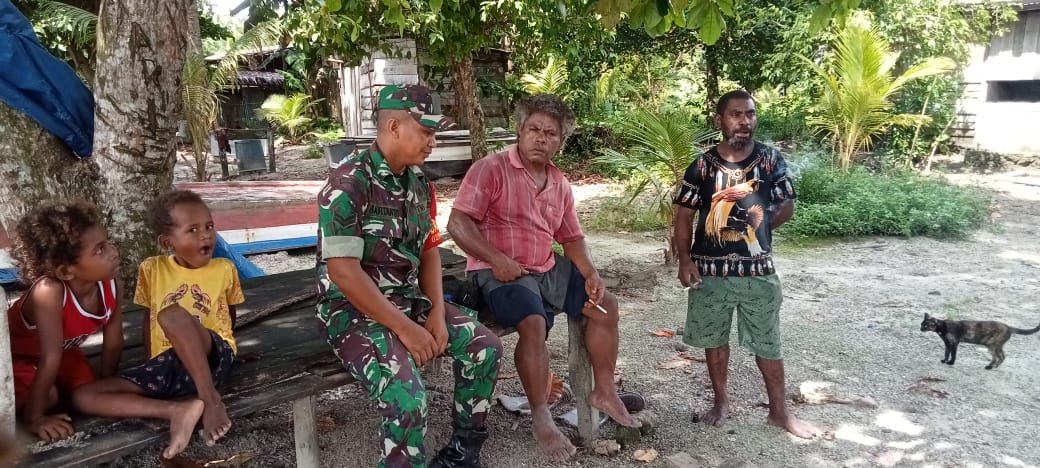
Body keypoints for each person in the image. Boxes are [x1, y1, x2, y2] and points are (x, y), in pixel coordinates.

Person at [315, 84, 503, 468]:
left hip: (407, 301)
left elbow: (429, 249)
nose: (433, 142)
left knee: (486, 347)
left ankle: (462, 454)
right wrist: (406, 329)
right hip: (353, 311)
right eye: (427, 132)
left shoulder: (418, 183)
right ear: (394, 126)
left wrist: (436, 313)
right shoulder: (349, 183)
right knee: (407, 397)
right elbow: (343, 273)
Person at [447, 93, 640, 462]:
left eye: (550, 134)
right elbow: (458, 223)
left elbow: (571, 238)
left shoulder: (559, 182)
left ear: (560, 141)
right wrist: (496, 258)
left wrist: (591, 273)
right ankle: (541, 415)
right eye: (534, 129)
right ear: (520, 131)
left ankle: (603, 390)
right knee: (533, 322)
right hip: (497, 270)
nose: (541, 138)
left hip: (544, 266)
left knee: (604, 305)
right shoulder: (491, 169)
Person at [672, 89, 820, 439]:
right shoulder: (702, 166)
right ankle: (721, 402)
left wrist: (754, 230)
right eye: (736, 114)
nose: (744, 121)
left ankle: (780, 412)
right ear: (719, 120)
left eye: (750, 114)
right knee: (714, 339)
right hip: (710, 273)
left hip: (758, 271)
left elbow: (786, 206)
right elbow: (683, 216)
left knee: (769, 342)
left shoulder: (770, 161)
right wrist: (685, 259)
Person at [74, 190, 243, 458]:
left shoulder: (224, 268)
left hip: (211, 358)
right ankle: (177, 411)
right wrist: (152, 360)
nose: (205, 235)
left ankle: (210, 399)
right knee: (83, 396)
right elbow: (148, 318)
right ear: (167, 242)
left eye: (209, 226)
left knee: (171, 315)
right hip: (169, 365)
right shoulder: (152, 269)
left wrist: (228, 348)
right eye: (193, 230)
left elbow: (228, 315)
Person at [7, 202, 122, 442]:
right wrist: (35, 418)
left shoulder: (111, 283)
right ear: (66, 272)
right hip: (14, 358)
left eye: (108, 243)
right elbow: (50, 356)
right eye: (100, 250)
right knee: (49, 397)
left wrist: (107, 382)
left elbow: (114, 341)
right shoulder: (49, 291)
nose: (113, 252)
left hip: (63, 354)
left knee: (89, 389)